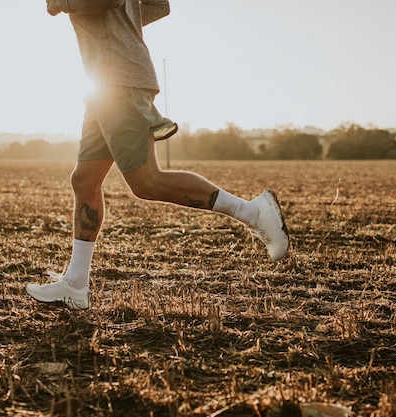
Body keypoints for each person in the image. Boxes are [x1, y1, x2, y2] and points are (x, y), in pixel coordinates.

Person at [26, 0, 289, 310]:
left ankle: (254, 213)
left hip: (120, 79)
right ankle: (75, 285)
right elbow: (157, 5)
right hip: (106, 82)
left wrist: (62, 3)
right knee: (84, 180)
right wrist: (124, 24)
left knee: (146, 181)